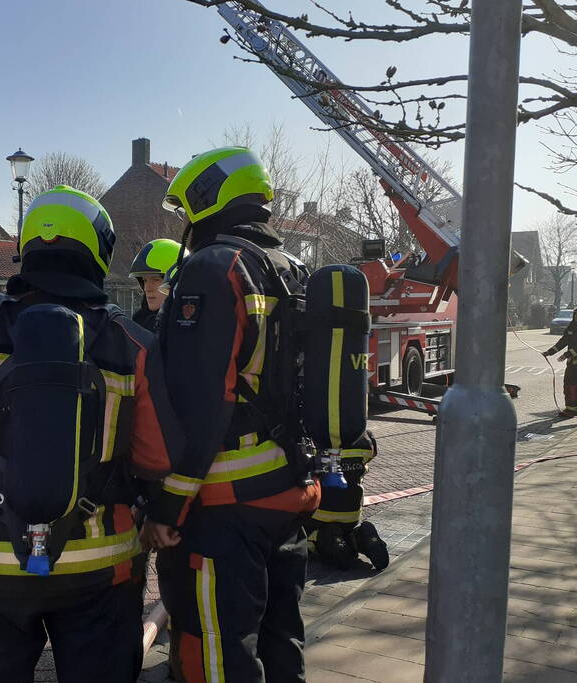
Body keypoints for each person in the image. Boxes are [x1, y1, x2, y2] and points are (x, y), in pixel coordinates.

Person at [0, 185, 180, 683]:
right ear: (98, 249)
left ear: (28, 246)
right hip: (101, 567)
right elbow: (158, 457)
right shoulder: (132, 342)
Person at [142, 147, 321, 682]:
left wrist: (169, 506)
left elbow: (201, 400)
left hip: (224, 503)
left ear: (206, 198)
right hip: (287, 488)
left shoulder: (214, 268)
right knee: (280, 637)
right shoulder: (291, 268)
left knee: (215, 648)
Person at [304, 431, 388, 571]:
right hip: (352, 514)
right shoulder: (365, 438)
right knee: (350, 532)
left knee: (304, 537)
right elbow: (368, 460)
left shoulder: (315, 437)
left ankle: (328, 540)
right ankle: (361, 538)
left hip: (320, 514)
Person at [128, 239, 188, 333]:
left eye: (155, 280)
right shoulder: (136, 324)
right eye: (145, 280)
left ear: (176, 281)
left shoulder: (189, 327)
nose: (147, 288)